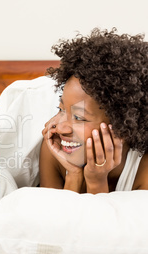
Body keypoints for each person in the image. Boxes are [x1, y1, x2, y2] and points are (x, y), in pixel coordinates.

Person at [39, 28, 148, 194]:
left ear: (124, 126)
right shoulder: (55, 151)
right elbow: (56, 218)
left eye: (79, 117)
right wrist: (73, 176)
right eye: (61, 110)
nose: (61, 128)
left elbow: (99, 220)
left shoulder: (143, 170)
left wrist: (96, 181)